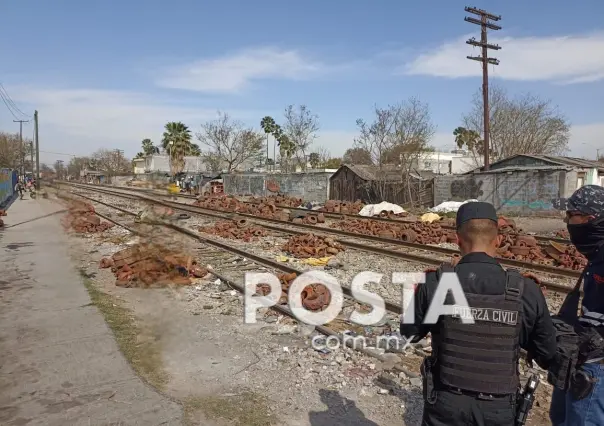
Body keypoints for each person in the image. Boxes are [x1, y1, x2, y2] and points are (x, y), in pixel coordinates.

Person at [400, 201, 557, 426]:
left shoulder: (436, 283)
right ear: (499, 240)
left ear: (457, 240)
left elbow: (409, 334)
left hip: (446, 404)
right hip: (499, 409)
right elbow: (546, 354)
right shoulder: (525, 290)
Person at [550, 184, 604, 425]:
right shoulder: (595, 256)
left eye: (573, 216)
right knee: (560, 417)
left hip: (596, 368)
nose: (568, 223)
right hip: (579, 360)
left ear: (593, 219)